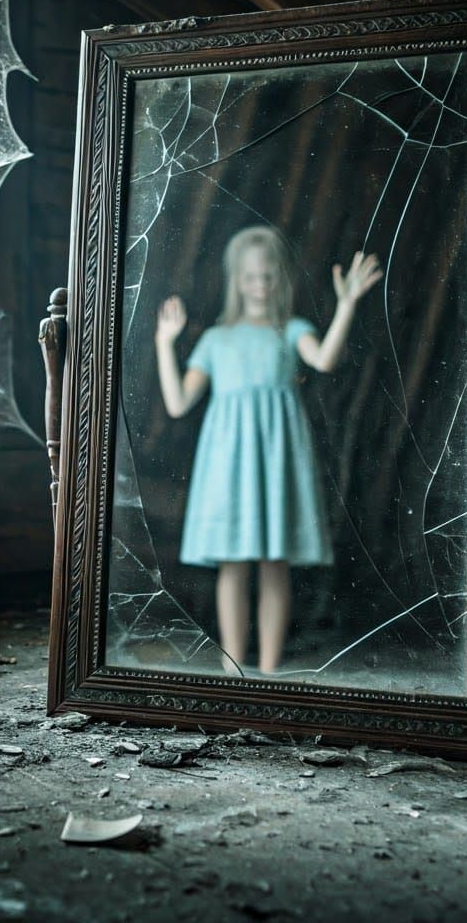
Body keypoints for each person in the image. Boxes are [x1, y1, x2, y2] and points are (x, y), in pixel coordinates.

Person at [155, 225, 382, 674]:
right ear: (236, 280)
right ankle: (234, 667)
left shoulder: (291, 330)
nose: (261, 285)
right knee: (233, 565)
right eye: (251, 277)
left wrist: (347, 304)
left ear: (282, 279)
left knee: (274, 562)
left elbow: (324, 359)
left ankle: (272, 669)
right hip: (227, 465)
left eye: (270, 276)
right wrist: (165, 344)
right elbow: (179, 402)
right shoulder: (216, 340)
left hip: (279, 462)